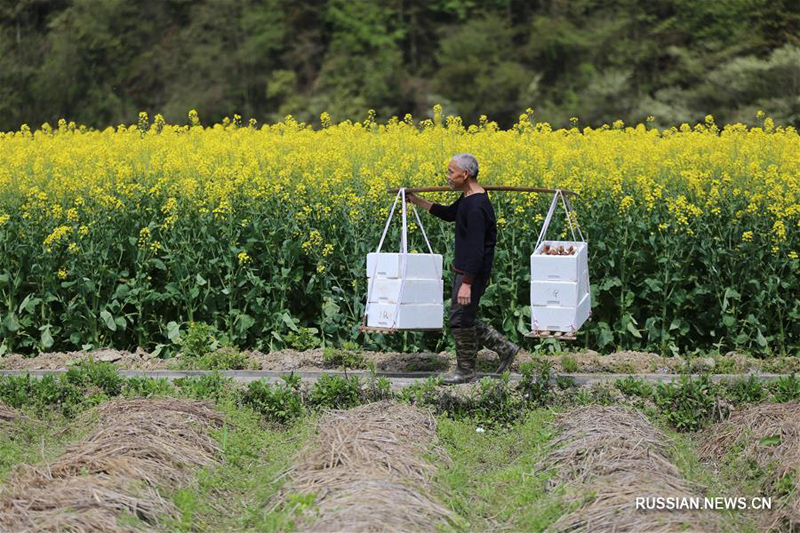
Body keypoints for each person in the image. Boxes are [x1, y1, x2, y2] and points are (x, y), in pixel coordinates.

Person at [406, 153, 520, 385]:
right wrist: (418, 201)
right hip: (465, 269)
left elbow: (477, 250)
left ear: (465, 174)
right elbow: (450, 214)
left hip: (472, 272)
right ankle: (504, 348)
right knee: (462, 318)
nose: (447, 176)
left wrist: (467, 282)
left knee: (460, 319)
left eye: (451, 172)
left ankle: (468, 370)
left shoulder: (478, 206)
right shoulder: (469, 197)